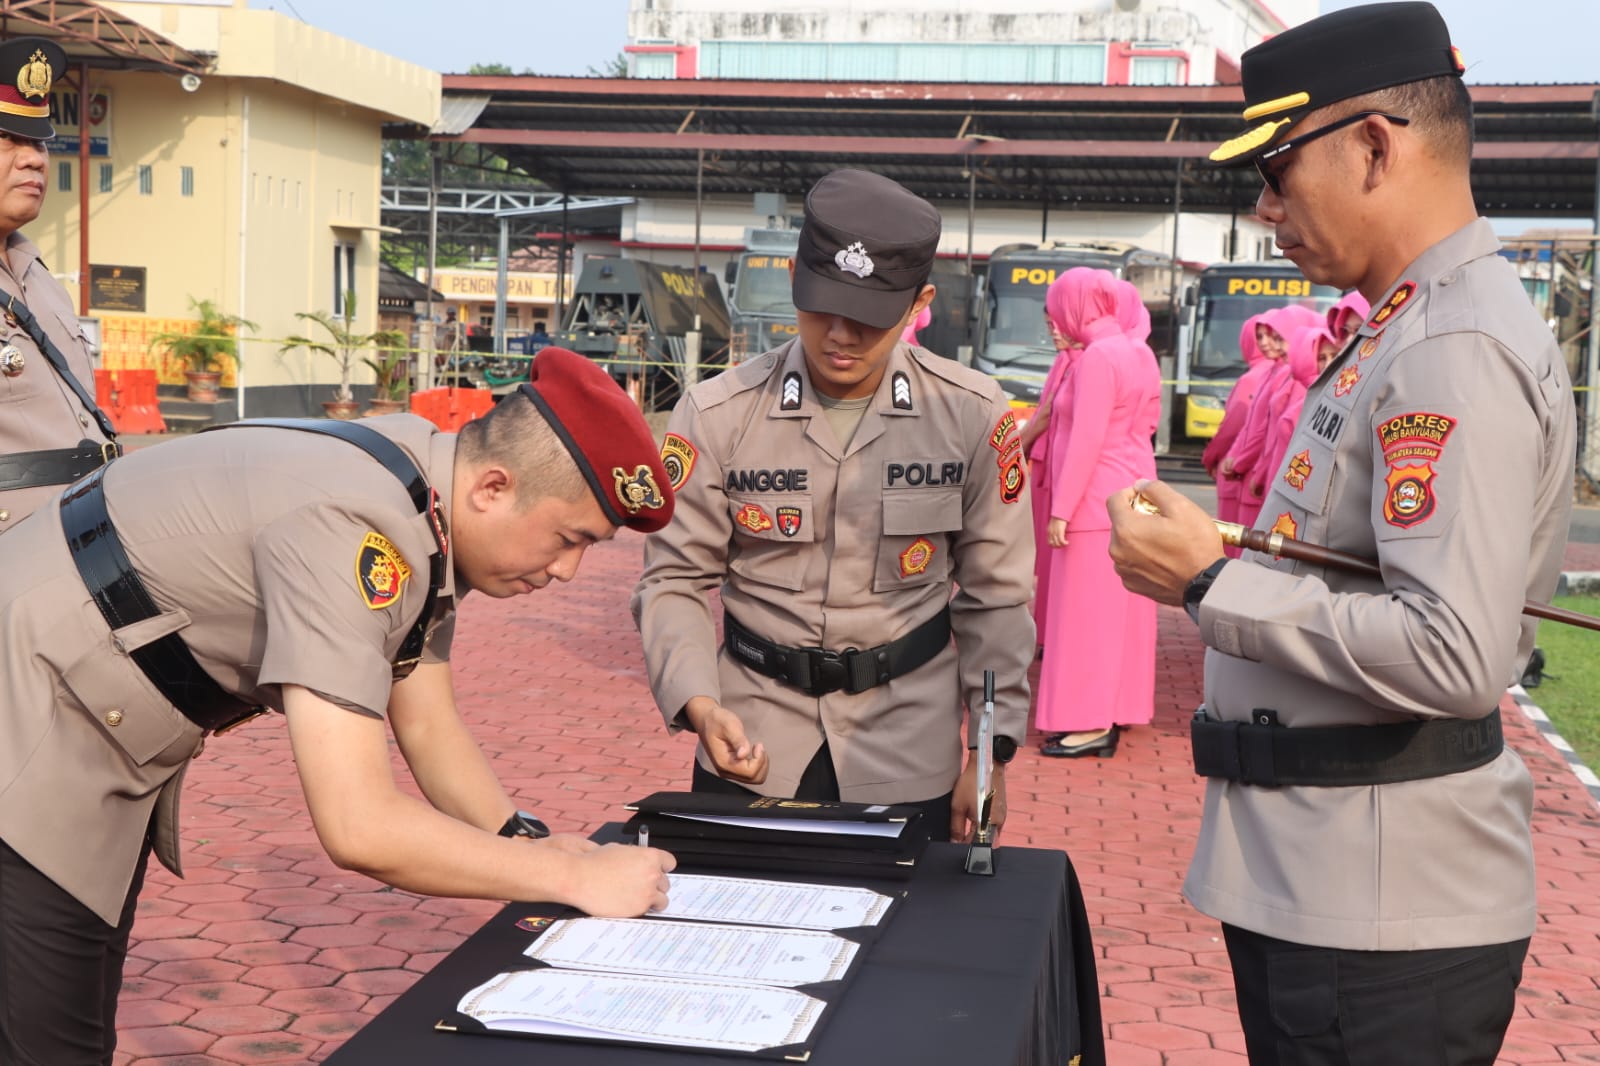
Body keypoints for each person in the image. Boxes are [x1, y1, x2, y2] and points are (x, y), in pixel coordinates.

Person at [1107, 3, 1575, 1063]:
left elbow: (1449, 651)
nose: (1266, 206)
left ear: (1372, 146)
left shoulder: (1448, 345)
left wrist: (1207, 584)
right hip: (1334, 876)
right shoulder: (1410, 323)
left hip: (1377, 909)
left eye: (1277, 168)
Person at [0, 346, 679, 1065]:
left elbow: (427, 719)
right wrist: (569, 877)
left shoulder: (424, 487)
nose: (569, 572)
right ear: (493, 487)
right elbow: (359, 827)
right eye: (569, 539)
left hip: (78, 714)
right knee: (50, 1043)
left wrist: (524, 844)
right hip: (31, 723)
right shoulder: (361, 529)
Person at [632, 167, 1035, 843]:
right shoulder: (719, 413)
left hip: (907, 745)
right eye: (821, 306)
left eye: (868, 317)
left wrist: (987, 753)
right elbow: (672, 579)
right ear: (794, 277)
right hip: (751, 737)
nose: (840, 335)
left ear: (919, 303)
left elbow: (996, 598)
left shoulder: (971, 415)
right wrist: (699, 705)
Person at [1033, 269, 1160, 758]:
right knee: (1122, 617)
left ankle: (1087, 723)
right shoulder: (1139, 352)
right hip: (1129, 491)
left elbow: (1085, 438)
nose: (1055, 319)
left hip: (1091, 500)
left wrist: (1060, 510)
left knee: (1083, 621)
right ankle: (1119, 708)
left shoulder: (1097, 359)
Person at [0, 37, 121, 536]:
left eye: (41, 142)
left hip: (83, 540)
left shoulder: (44, 280)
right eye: (10, 139)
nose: (35, 160)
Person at [1219, 304, 1322, 529]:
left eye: (1278, 337)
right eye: (1262, 337)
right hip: (1265, 478)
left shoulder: (1300, 382)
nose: (1269, 344)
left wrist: (1246, 464)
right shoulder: (1280, 373)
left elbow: (1270, 434)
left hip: (1275, 481)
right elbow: (1257, 426)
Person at [1202, 314, 1270, 550]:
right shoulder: (1278, 373)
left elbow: (1232, 427)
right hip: (1259, 475)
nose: (1263, 342)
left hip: (1238, 472)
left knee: (1233, 548)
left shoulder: (1253, 378)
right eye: (1258, 336)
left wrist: (1210, 457)